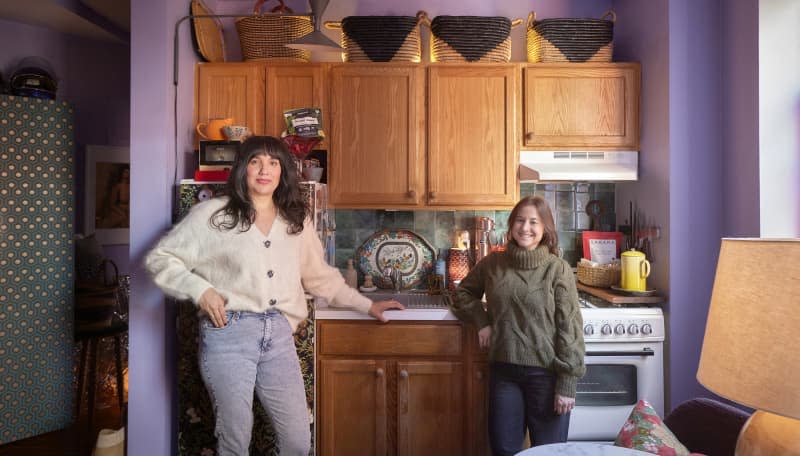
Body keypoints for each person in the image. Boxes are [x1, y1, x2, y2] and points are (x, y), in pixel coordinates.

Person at [145, 136, 404, 455]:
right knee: (235, 439)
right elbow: (160, 259)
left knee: (297, 439)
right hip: (229, 335)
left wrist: (368, 305)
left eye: (273, 162)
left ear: (283, 172)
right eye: (255, 161)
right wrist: (202, 291)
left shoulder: (296, 221)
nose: (264, 169)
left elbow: (321, 278)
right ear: (243, 169)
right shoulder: (213, 214)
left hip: (279, 336)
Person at [448, 195, 585, 455]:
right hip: (504, 374)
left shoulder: (558, 270)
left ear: (545, 229)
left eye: (534, 222)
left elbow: (570, 329)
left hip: (547, 375)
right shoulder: (493, 264)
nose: (525, 227)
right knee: (504, 450)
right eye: (520, 220)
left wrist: (567, 383)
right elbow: (462, 293)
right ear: (511, 225)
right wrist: (482, 321)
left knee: (549, 452)